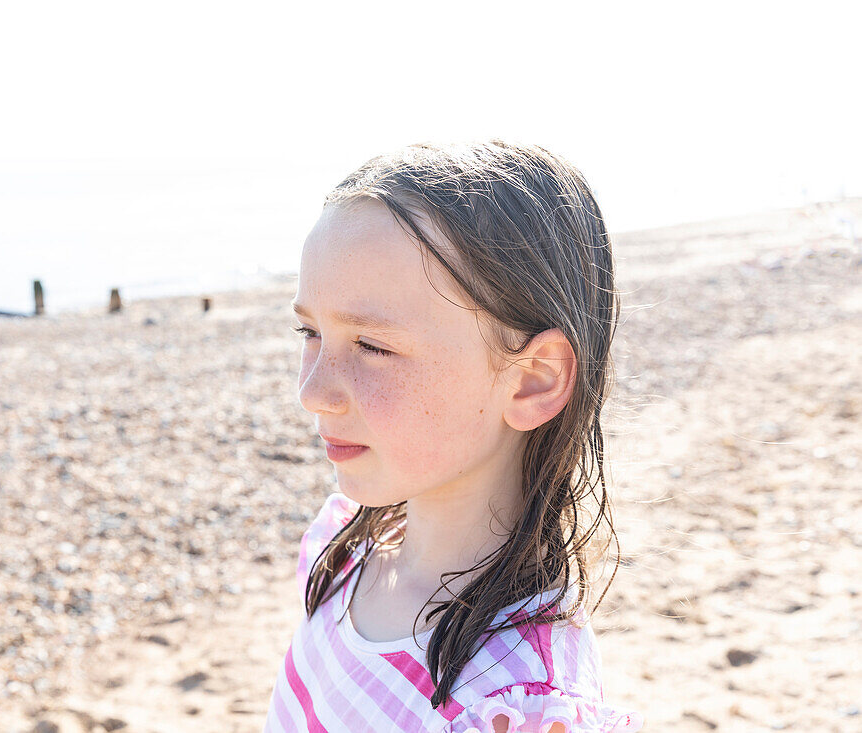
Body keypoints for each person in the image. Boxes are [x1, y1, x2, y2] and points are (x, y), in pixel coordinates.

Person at [264, 141, 643, 732]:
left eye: (373, 346)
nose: (312, 392)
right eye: (309, 330)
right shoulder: (348, 547)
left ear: (532, 381)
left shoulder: (512, 704)